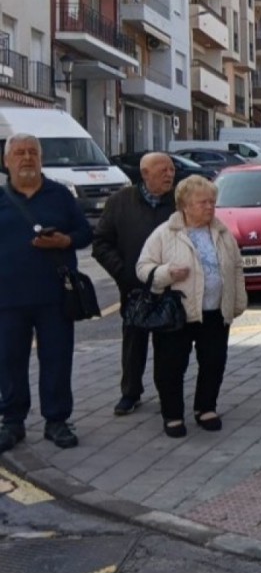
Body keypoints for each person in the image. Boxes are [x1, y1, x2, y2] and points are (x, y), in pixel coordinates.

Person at [0, 134, 92, 452]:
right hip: (7, 299)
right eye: (19, 153)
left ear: (41, 159)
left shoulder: (60, 195)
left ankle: (57, 421)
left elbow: (85, 233)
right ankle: (12, 422)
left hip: (54, 297)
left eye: (32, 152)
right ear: (6, 161)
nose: (27, 158)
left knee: (57, 360)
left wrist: (65, 241)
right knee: (9, 362)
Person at [136, 176, 247, 438]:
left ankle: (206, 408)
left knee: (213, 362)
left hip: (215, 311)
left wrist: (238, 301)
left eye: (212, 202)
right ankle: (172, 414)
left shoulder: (221, 232)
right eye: (202, 202)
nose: (210, 207)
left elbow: (236, 266)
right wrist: (166, 273)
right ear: (185, 205)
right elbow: (143, 267)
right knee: (171, 366)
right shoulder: (165, 233)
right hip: (177, 313)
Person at [93, 152, 177, 416]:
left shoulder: (179, 201)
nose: (169, 174)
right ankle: (130, 393)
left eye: (172, 169)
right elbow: (101, 243)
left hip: (171, 285)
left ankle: (168, 394)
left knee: (169, 344)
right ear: (145, 174)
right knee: (133, 342)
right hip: (134, 286)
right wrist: (123, 272)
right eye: (163, 170)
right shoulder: (120, 202)